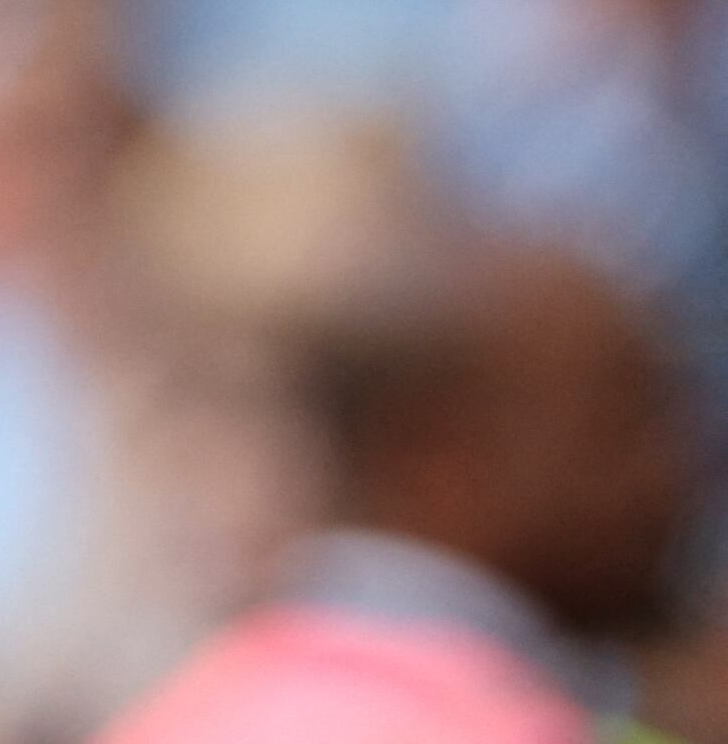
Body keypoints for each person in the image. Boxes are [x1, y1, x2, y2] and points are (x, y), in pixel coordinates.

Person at [96, 234, 696, 744]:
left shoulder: (185, 705)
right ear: (439, 459)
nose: (668, 470)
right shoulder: (502, 723)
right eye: (615, 427)